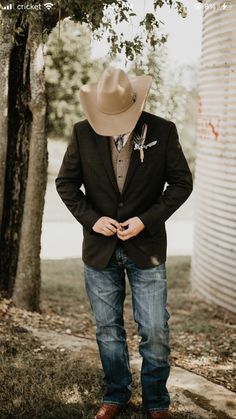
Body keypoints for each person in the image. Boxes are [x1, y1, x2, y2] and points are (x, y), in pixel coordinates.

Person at [55, 67, 193, 419]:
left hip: (145, 249)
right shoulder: (82, 133)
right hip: (99, 251)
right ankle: (115, 394)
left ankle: (157, 401)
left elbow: (180, 184)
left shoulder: (163, 131)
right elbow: (66, 184)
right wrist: (92, 219)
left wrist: (145, 220)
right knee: (107, 330)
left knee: (154, 329)